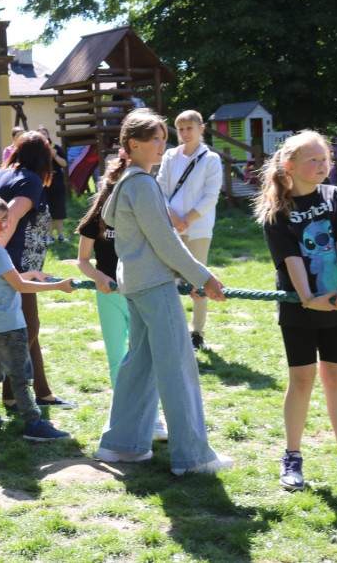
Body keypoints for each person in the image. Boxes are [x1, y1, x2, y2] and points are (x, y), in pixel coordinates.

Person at [94, 109, 233, 476]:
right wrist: (204, 277)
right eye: (155, 138)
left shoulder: (130, 181)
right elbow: (166, 241)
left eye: (163, 137)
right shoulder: (141, 183)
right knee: (179, 368)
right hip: (153, 284)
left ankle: (121, 446)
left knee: (140, 363)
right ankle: (193, 458)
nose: (163, 144)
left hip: (137, 283)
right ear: (133, 145)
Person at [254, 130, 337, 491]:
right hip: (299, 305)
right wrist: (307, 297)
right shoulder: (277, 211)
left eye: (325, 159)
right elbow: (291, 260)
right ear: (290, 166)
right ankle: (292, 455)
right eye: (313, 160)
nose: (322, 165)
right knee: (302, 378)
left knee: (336, 377)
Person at [77, 156, 168, 442]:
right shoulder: (97, 216)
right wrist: (98, 277)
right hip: (109, 296)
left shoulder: (144, 209)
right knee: (117, 357)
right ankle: (129, 416)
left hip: (141, 292)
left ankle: (153, 418)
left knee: (146, 354)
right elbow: (82, 261)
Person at [0, 194, 76, 440]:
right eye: (2, 221)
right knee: (20, 377)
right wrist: (58, 286)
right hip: (11, 325)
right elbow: (19, 286)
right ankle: (34, 423)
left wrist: (30, 273)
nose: (7, 226)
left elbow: (7, 280)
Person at [0, 131, 74, 409]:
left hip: (7, 264)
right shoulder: (30, 181)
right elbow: (8, 217)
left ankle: (43, 392)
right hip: (14, 268)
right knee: (27, 328)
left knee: (27, 328)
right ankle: (10, 395)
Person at [156, 110, 223, 351]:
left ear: (201, 128)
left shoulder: (211, 159)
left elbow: (210, 196)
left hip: (199, 227)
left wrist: (187, 219)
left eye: (189, 128)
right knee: (170, 277)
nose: (185, 133)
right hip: (171, 225)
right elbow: (160, 187)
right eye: (180, 129)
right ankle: (175, 329)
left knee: (199, 278)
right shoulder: (170, 156)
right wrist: (173, 217)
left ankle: (197, 332)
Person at [39, 126, 69, 243]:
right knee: (48, 210)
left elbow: (65, 164)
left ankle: (61, 235)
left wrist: (55, 155)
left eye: (44, 134)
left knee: (59, 210)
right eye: (40, 134)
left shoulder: (55, 148)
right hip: (43, 184)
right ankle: (49, 236)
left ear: (48, 136)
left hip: (57, 184)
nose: (43, 136)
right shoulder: (37, 151)